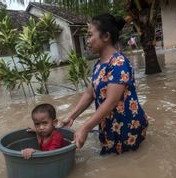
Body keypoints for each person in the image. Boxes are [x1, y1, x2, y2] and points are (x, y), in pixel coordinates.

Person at [60, 13, 148, 155]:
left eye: (90, 35)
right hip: (109, 125)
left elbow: (112, 101)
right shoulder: (99, 64)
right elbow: (90, 93)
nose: (87, 41)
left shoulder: (119, 63)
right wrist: (71, 116)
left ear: (106, 37)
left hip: (126, 128)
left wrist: (85, 128)